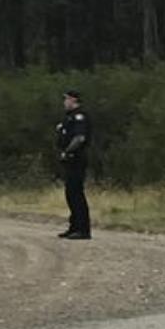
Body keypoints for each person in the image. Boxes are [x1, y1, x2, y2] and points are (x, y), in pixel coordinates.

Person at [56, 90, 92, 240]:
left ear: (73, 100)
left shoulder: (80, 117)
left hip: (77, 158)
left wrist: (68, 151)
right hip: (69, 160)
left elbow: (80, 137)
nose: (64, 103)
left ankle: (83, 229)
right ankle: (74, 227)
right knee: (70, 193)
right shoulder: (68, 118)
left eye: (66, 100)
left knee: (77, 193)